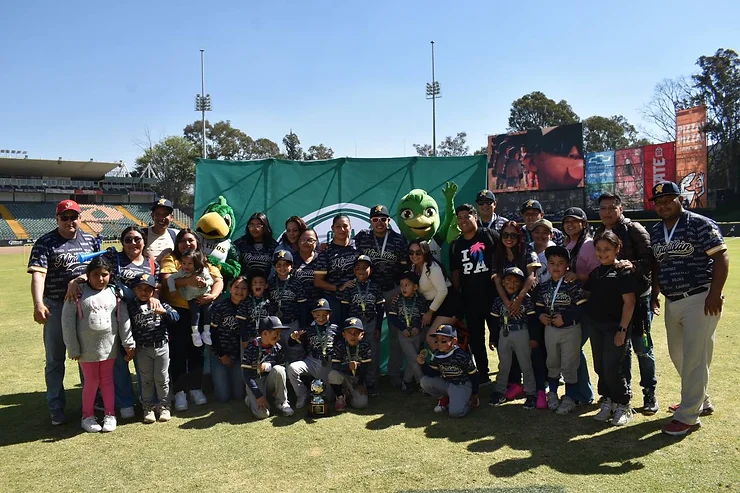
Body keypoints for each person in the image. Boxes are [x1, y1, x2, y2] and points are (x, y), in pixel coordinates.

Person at [648, 181, 729, 436]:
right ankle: (700, 400)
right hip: (673, 300)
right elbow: (658, 266)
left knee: (695, 357)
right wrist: (656, 292)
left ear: (680, 199)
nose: (663, 205)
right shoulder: (657, 231)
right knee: (678, 354)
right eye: (658, 202)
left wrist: (714, 294)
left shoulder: (699, 223)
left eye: (668, 200)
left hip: (700, 297)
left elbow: (720, 257)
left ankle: (688, 416)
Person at [28, 199, 98, 425]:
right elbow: (38, 275)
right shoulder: (45, 242)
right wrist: (38, 303)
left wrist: (78, 280)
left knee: (86, 358)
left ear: (80, 218)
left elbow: (99, 271)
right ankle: (56, 407)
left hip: (85, 305)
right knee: (55, 360)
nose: (70, 221)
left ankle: (89, 404)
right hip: (56, 306)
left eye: (74, 217)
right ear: (57, 219)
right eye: (64, 217)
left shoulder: (90, 240)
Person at [595, 192, 659, 414]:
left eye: (611, 207)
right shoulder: (600, 232)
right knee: (622, 350)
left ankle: (649, 393)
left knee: (642, 347)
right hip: (616, 305)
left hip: (638, 299)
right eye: (603, 208)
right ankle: (624, 393)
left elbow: (651, 259)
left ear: (621, 208)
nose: (607, 212)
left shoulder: (634, 229)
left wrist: (632, 265)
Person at [61, 256, 134, 433]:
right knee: (91, 382)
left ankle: (110, 414)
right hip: (86, 350)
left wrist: (128, 342)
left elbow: (123, 319)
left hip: (109, 348)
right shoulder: (77, 292)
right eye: (95, 274)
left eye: (104, 274)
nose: (100, 279)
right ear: (88, 275)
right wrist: (73, 347)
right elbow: (67, 322)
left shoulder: (114, 293)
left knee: (108, 381)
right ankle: (87, 416)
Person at [160, 228, 224, 412]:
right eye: (182, 241)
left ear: (197, 243)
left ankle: (195, 388)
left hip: (200, 309)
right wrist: (190, 280)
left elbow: (217, 280)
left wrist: (211, 296)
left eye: (191, 240)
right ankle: (180, 391)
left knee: (197, 351)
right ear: (177, 244)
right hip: (178, 312)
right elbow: (167, 280)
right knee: (178, 352)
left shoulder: (203, 259)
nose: (187, 244)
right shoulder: (171, 259)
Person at [584, 231, 636, 427]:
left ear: (617, 249)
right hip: (597, 327)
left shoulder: (623, 271)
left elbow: (629, 303)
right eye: (598, 249)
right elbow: (586, 294)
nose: (602, 253)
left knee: (612, 367)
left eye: (607, 249)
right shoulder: (596, 273)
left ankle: (623, 404)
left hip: (616, 328)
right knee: (600, 366)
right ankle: (608, 400)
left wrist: (622, 330)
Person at [353, 204, 409, 389]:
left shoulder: (398, 240)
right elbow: (353, 259)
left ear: (388, 221)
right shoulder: (362, 237)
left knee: (395, 335)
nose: (379, 223)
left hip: (393, 290)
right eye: (375, 219)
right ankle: (372, 377)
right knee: (371, 335)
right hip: (370, 291)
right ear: (370, 221)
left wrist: (400, 291)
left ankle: (394, 374)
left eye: (383, 219)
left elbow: (404, 268)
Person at [449, 204, 499, 385]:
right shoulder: (456, 245)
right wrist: (457, 295)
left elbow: (501, 259)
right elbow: (455, 272)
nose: (462, 221)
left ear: (475, 217)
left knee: (499, 335)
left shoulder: (489, 235)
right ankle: (483, 373)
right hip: (470, 299)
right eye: (459, 218)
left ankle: (510, 375)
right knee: (476, 338)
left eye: (466, 216)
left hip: (493, 297)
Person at [535, 246, 587, 415]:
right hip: (550, 330)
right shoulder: (544, 286)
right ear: (547, 265)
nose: (555, 267)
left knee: (569, 364)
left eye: (560, 263)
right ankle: (553, 393)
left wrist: (566, 318)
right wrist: (541, 316)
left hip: (570, 330)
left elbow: (582, 308)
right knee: (552, 361)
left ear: (567, 266)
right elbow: (538, 307)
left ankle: (570, 397)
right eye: (551, 263)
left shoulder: (572, 284)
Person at [127, 272, 179, 424]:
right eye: (140, 289)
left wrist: (165, 313)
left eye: (148, 289)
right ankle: (148, 408)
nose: (144, 292)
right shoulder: (131, 306)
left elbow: (176, 318)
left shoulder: (160, 302)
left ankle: (164, 406)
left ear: (154, 290)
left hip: (161, 346)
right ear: (134, 290)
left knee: (162, 379)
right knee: (146, 380)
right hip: (143, 348)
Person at [561, 207, 598, 406]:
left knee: (574, 348)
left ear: (584, 223)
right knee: (571, 348)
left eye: (575, 221)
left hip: (588, 304)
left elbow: (599, 274)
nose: (570, 224)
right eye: (567, 221)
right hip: (572, 303)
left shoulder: (589, 244)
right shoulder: (568, 243)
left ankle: (582, 393)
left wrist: (578, 276)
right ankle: (578, 391)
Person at [488, 267, 539, 410]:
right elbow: (494, 321)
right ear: (503, 283)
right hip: (504, 334)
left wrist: (534, 337)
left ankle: (531, 393)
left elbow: (532, 319)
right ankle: (500, 391)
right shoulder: (498, 301)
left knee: (525, 364)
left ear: (521, 284)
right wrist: (493, 338)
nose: (512, 284)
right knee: (504, 364)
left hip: (521, 333)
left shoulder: (526, 299)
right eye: (508, 281)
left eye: (516, 282)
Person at [338, 254, 384, 396]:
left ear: (371, 270)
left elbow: (381, 308)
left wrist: (378, 327)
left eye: (365, 268)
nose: (361, 270)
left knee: (372, 354)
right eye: (358, 268)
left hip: (370, 323)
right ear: (353, 270)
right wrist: (345, 328)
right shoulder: (350, 286)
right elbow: (344, 309)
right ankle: (354, 383)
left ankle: (370, 384)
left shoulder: (375, 287)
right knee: (354, 354)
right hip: (354, 327)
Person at [287, 298, 340, 408]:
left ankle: (336, 394)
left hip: (328, 363)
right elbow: (291, 343)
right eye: (317, 315)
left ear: (330, 314)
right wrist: (293, 337)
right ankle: (302, 394)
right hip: (311, 361)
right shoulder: (308, 329)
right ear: (312, 314)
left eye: (324, 315)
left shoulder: (335, 329)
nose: (321, 318)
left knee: (327, 398)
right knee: (292, 368)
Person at [409, 238, 460, 350]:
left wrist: (430, 312)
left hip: (448, 304)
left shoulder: (433, 268)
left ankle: (447, 364)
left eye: (418, 252)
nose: (414, 255)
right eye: (411, 252)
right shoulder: (413, 268)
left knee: (432, 338)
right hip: (433, 305)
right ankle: (442, 364)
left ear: (425, 252)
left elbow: (443, 291)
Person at [417, 325, 479, 418]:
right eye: (437, 340)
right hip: (447, 383)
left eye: (443, 340)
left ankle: (469, 402)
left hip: (461, 385)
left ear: (454, 341)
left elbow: (473, 374)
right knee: (424, 381)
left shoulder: (461, 355)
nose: (439, 343)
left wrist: (475, 393)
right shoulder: (437, 354)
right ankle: (444, 399)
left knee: (455, 413)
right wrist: (423, 364)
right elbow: (433, 374)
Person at [241, 316, 294, 418]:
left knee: (279, 369)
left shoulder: (278, 347)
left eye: (280, 334)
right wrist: (258, 395)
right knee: (263, 415)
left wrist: (269, 366)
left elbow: (282, 366)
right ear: (265, 333)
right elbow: (246, 375)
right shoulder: (252, 347)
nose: (279, 338)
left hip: (269, 381)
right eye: (276, 335)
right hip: (255, 382)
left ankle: (282, 403)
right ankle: (251, 399)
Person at [387, 271, 429, 394]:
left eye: (407, 285)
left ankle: (406, 381)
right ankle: (422, 383)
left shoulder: (420, 300)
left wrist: (418, 328)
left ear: (415, 287)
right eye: (401, 285)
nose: (403, 288)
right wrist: (402, 328)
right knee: (414, 358)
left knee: (412, 361)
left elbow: (422, 318)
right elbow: (392, 317)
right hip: (403, 334)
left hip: (416, 334)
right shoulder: (397, 300)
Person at [209, 276, 249, 403]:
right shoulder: (219, 307)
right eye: (236, 287)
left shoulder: (249, 307)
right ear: (230, 289)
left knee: (238, 395)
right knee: (223, 397)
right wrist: (222, 355)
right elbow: (213, 333)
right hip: (220, 354)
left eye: (244, 288)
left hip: (239, 356)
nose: (239, 291)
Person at [313, 214, 357, 325]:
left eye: (345, 226)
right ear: (332, 228)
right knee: (335, 335)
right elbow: (318, 282)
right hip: (334, 300)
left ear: (350, 228)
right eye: (338, 226)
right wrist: (339, 288)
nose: (342, 230)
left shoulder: (358, 248)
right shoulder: (326, 252)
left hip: (355, 300)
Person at [268, 249, 308, 364]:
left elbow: (302, 306)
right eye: (279, 265)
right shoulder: (270, 283)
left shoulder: (296, 283)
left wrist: (302, 326)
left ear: (291, 266)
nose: (282, 268)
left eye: (286, 265)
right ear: (274, 267)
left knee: (295, 351)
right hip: (276, 325)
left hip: (292, 323)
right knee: (277, 352)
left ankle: (292, 380)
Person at [167, 249, 214, 347]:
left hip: (205, 295)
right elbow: (170, 278)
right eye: (184, 263)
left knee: (208, 313)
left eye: (189, 263)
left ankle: (206, 332)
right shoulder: (182, 272)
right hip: (192, 298)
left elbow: (211, 280)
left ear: (196, 263)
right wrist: (172, 290)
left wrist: (205, 283)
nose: (186, 266)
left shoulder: (203, 270)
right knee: (195, 315)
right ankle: (195, 334)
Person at [329, 317, 372, 411]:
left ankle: (349, 396)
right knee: (333, 374)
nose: (353, 336)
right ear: (344, 334)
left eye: (356, 333)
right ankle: (340, 396)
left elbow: (365, 366)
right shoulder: (339, 345)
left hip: (357, 377)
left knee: (361, 404)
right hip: (344, 376)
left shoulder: (365, 345)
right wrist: (347, 366)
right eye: (349, 333)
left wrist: (361, 383)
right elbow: (335, 365)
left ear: (362, 335)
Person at [236, 270, 276, 345]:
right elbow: (242, 323)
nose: (258, 285)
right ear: (251, 286)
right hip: (250, 338)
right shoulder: (246, 301)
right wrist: (244, 340)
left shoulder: (270, 300)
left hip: (267, 338)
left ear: (266, 285)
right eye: (254, 282)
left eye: (261, 282)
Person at [234, 212, 278, 277]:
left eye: (258, 225)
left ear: (265, 227)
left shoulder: (273, 246)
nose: (255, 228)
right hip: (244, 284)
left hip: (265, 284)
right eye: (251, 225)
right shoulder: (240, 244)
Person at [144, 197, 179, 264]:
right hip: (148, 273)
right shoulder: (142, 234)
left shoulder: (176, 235)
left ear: (171, 217)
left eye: (165, 214)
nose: (161, 218)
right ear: (152, 216)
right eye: (157, 214)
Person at [294, 229, 321, 307]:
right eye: (303, 240)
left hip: (318, 306)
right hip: (296, 305)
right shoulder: (291, 259)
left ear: (316, 242)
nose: (306, 243)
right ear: (298, 242)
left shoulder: (321, 259)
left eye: (310, 240)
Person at [530, 219, 556, 284]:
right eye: (537, 232)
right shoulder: (525, 249)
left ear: (551, 235)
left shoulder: (556, 252)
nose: (540, 235)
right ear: (532, 234)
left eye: (545, 233)